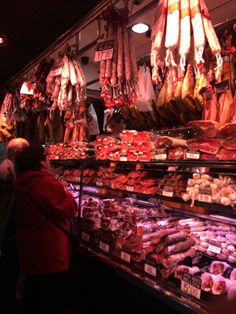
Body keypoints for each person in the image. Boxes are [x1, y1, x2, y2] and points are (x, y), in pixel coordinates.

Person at [14, 144, 78, 314]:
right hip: (50, 252)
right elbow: (70, 209)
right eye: (48, 159)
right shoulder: (45, 182)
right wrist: (65, 190)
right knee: (51, 298)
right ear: (41, 162)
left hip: (29, 247)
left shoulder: (21, 181)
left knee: (34, 294)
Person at [0, 137, 29, 314]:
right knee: (10, 267)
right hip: (9, 228)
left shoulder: (8, 168)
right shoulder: (6, 171)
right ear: (18, 153)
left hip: (10, 227)